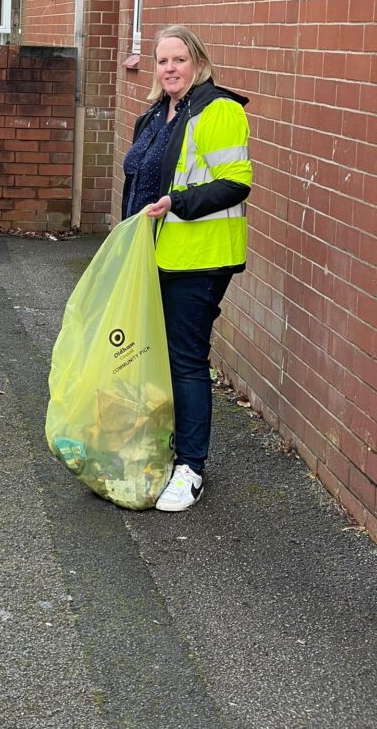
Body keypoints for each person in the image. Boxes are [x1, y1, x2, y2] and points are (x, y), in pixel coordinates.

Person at [121, 25, 252, 512]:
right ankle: (168, 449)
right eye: (162, 60)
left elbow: (236, 181)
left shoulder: (218, 109)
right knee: (158, 357)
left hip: (199, 257)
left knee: (187, 361)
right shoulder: (156, 114)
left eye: (179, 59)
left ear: (198, 62)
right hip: (157, 253)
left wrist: (179, 202)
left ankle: (191, 469)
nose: (170, 68)